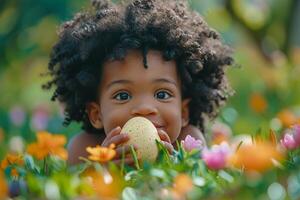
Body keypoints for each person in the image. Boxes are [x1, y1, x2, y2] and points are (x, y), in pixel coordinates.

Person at [43, 0, 233, 165]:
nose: (144, 108)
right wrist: (102, 169)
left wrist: (173, 165)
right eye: (123, 95)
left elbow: (198, 186)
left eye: (162, 94)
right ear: (96, 114)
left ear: (183, 113)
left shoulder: (188, 143)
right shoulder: (84, 149)